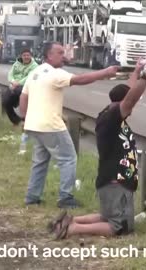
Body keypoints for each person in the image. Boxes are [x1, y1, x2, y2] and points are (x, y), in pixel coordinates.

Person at [47, 59, 146, 239]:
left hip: (111, 180)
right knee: (120, 226)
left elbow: (128, 94)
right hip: (116, 181)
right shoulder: (112, 118)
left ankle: (70, 221)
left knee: (107, 217)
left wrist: (137, 72)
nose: (132, 108)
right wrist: (145, 77)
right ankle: (71, 230)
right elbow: (130, 99)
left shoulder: (109, 112)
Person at [19, 42, 119, 208]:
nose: (63, 56)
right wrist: (105, 73)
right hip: (51, 125)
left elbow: (23, 97)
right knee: (69, 158)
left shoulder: (35, 72)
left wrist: (24, 118)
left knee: (40, 161)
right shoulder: (54, 74)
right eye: (59, 53)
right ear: (49, 55)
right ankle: (65, 197)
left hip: (34, 125)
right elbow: (80, 79)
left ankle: (32, 196)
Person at [3, 48, 39, 125]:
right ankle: (16, 121)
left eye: (28, 55)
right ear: (21, 56)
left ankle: (25, 118)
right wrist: (13, 81)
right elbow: (10, 74)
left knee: (18, 95)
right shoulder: (17, 63)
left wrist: (18, 83)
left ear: (31, 56)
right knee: (5, 101)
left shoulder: (34, 66)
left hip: (26, 86)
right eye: (24, 55)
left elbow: (30, 77)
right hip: (14, 85)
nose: (26, 57)